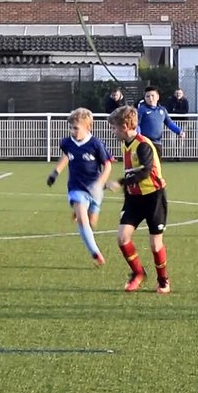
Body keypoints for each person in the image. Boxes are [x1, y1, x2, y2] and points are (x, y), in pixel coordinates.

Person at [107, 105, 170, 294]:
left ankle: (163, 281)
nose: (113, 131)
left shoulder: (143, 145)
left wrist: (120, 182)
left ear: (125, 126)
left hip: (153, 198)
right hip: (134, 199)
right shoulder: (125, 143)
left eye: (115, 127)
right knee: (122, 238)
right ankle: (138, 273)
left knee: (155, 244)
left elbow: (145, 172)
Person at [46, 107, 114, 266]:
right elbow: (66, 156)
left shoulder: (96, 144)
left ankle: (80, 211)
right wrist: (55, 172)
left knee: (92, 223)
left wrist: (100, 183)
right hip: (76, 187)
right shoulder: (67, 143)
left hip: (95, 190)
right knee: (83, 222)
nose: (72, 130)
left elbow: (108, 165)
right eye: (71, 127)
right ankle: (95, 252)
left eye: (76, 127)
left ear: (88, 127)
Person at [135, 86, 183, 154]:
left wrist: (179, 131)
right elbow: (137, 124)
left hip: (158, 142)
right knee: (147, 164)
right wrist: (139, 136)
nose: (150, 98)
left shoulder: (162, 110)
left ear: (157, 97)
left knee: (157, 164)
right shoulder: (142, 110)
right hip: (145, 142)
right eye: (147, 96)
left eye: (152, 96)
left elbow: (169, 123)